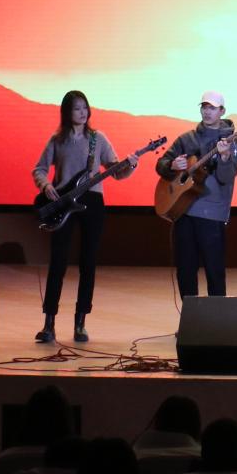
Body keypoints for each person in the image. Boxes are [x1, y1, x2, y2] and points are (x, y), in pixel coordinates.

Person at [33, 90, 139, 344]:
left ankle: (80, 323)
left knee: (88, 262)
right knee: (58, 262)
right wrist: (46, 185)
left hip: (92, 202)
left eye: (85, 108)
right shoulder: (57, 140)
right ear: (67, 112)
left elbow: (116, 171)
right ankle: (49, 323)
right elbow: (39, 169)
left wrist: (131, 164)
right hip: (63, 202)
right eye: (76, 108)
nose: (82, 112)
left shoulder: (97, 139)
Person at [156, 91, 237, 298]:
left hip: (212, 214)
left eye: (212, 108)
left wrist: (224, 157)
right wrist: (172, 165)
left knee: (214, 271)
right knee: (185, 270)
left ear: (222, 111)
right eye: (204, 107)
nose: (207, 112)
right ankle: (190, 315)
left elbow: (226, 178)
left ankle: (217, 317)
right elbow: (161, 164)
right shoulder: (187, 139)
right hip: (183, 211)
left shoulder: (231, 143)